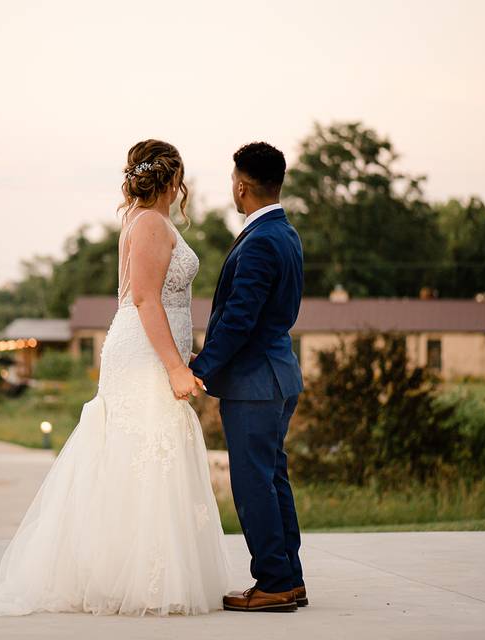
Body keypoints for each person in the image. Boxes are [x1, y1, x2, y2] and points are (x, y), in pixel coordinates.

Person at [0, 139, 230, 617]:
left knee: (139, 454)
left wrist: (183, 352)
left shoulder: (142, 221)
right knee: (144, 449)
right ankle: (144, 581)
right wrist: (175, 366)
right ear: (175, 178)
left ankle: (136, 574)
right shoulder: (153, 224)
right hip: (142, 353)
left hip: (147, 346)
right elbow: (146, 300)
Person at [190, 142, 306, 613]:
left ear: (241, 186)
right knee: (273, 478)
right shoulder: (286, 232)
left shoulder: (259, 241)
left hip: (256, 383)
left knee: (253, 482)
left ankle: (274, 581)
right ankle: (289, 579)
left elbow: (240, 318)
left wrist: (199, 368)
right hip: (279, 375)